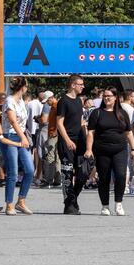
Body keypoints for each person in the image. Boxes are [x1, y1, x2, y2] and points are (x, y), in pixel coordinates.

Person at [85, 88, 134, 215]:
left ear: (116, 97)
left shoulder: (122, 113)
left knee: (120, 175)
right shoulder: (97, 113)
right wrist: (88, 149)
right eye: (105, 96)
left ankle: (118, 203)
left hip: (120, 149)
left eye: (109, 96)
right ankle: (105, 206)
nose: (107, 98)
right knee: (104, 178)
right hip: (102, 150)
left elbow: (129, 132)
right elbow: (91, 133)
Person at [0, 76, 35, 215]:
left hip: (22, 136)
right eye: (26, 86)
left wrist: (24, 137)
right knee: (13, 171)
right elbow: (13, 121)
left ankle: (21, 200)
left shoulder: (21, 101)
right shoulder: (9, 101)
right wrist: (23, 137)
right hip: (10, 136)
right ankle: (9, 204)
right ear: (23, 87)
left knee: (29, 169)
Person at [57, 75, 88, 214]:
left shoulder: (79, 101)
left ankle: (73, 198)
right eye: (80, 84)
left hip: (79, 140)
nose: (82, 86)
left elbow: (79, 121)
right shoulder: (63, 101)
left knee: (83, 172)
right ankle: (69, 204)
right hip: (67, 141)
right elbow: (59, 123)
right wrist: (67, 140)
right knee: (67, 173)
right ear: (73, 85)